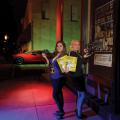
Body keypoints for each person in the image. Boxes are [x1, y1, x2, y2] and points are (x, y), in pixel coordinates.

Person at [42, 41, 67, 119]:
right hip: (53, 77)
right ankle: (61, 110)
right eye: (57, 46)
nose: (59, 47)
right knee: (59, 93)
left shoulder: (64, 55)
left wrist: (66, 68)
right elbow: (49, 63)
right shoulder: (55, 54)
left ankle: (61, 111)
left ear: (64, 47)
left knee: (55, 95)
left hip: (60, 78)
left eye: (61, 46)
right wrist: (45, 57)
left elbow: (65, 68)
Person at [68, 40, 86, 119]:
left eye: (78, 44)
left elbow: (80, 63)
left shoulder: (76, 53)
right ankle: (79, 114)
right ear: (71, 46)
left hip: (77, 76)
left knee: (79, 94)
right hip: (77, 77)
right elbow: (72, 67)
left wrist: (84, 56)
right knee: (83, 95)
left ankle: (78, 111)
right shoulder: (72, 53)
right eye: (75, 44)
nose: (78, 46)